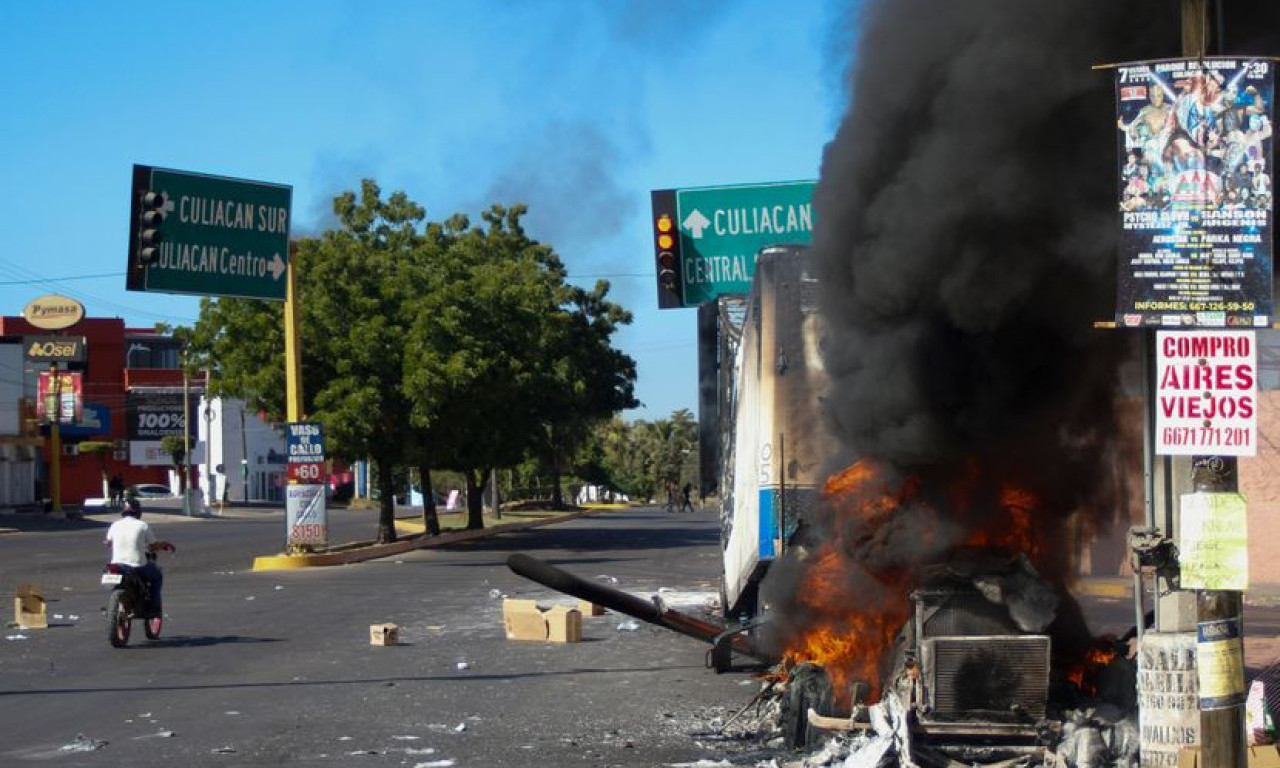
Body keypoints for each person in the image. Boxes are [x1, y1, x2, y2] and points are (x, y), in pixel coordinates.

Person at [105, 498, 174, 615]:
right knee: (157, 575)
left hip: (116, 565)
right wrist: (165, 545)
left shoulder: (114, 525)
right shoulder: (143, 525)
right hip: (136, 566)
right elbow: (153, 546)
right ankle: (152, 607)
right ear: (138, 512)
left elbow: (108, 542)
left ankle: (115, 606)